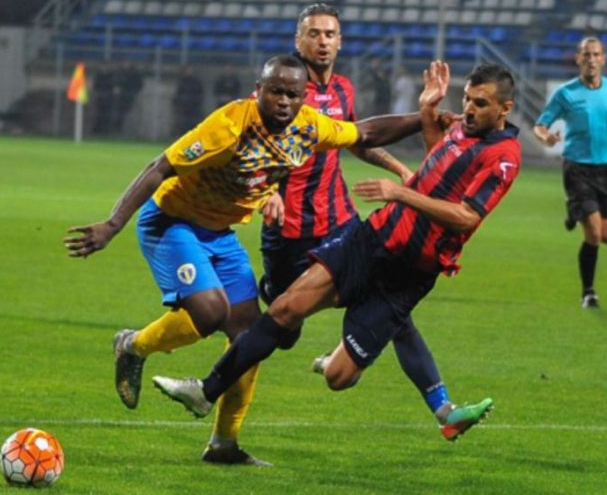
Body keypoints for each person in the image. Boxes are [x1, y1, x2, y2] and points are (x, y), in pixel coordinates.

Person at [64, 55, 428, 465]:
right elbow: (159, 167)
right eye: (275, 91)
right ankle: (132, 345)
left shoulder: (309, 126)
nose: (284, 101)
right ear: (258, 90)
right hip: (173, 222)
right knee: (209, 312)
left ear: (304, 97)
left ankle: (223, 444)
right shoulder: (228, 126)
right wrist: (112, 225)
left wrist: (426, 118)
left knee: (249, 336)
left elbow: (366, 132)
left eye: (293, 94)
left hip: (220, 234)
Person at [152, 63, 521, 446]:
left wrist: (400, 193)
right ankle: (205, 391)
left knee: (338, 378)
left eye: (480, 103)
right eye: (467, 99)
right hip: (371, 239)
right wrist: (428, 109)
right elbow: (437, 159)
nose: (469, 109)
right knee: (284, 309)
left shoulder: (504, 156)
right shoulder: (462, 128)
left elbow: (466, 217)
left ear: (505, 108)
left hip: (410, 272)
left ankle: (400, 389)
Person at [259, 3, 471, 441]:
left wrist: (398, 168)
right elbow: (257, 145)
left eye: (330, 34)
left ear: (340, 42)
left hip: (340, 220)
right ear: (298, 40)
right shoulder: (282, 88)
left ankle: (444, 407)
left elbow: (357, 139)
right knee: (283, 328)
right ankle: (282, 308)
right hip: (290, 229)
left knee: (392, 306)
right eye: (313, 33)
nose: (322, 41)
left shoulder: (343, 89)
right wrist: (268, 191)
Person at [533, 37, 607, 309]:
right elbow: (540, 125)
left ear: (604, 59)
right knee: (593, 234)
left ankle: (576, 212)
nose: (591, 59)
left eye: (596, 54)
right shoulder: (566, 93)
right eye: (586, 55)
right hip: (578, 168)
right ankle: (589, 292)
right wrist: (546, 137)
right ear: (578, 59)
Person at [170, 64, 203, 136]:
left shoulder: (196, 82)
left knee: (193, 127)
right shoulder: (182, 82)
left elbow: (199, 94)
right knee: (183, 128)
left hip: (193, 109)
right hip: (183, 110)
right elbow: (178, 94)